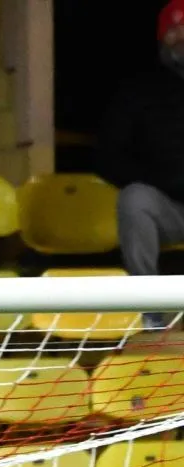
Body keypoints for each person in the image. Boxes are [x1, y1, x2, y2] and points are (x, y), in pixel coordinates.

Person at [101, 0, 184, 288]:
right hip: (167, 206)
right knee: (135, 198)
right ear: (161, 38)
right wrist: (166, 181)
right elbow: (110, 158)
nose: (182, 36)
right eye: (175, 29)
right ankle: (149, 305)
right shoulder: (138, 91)